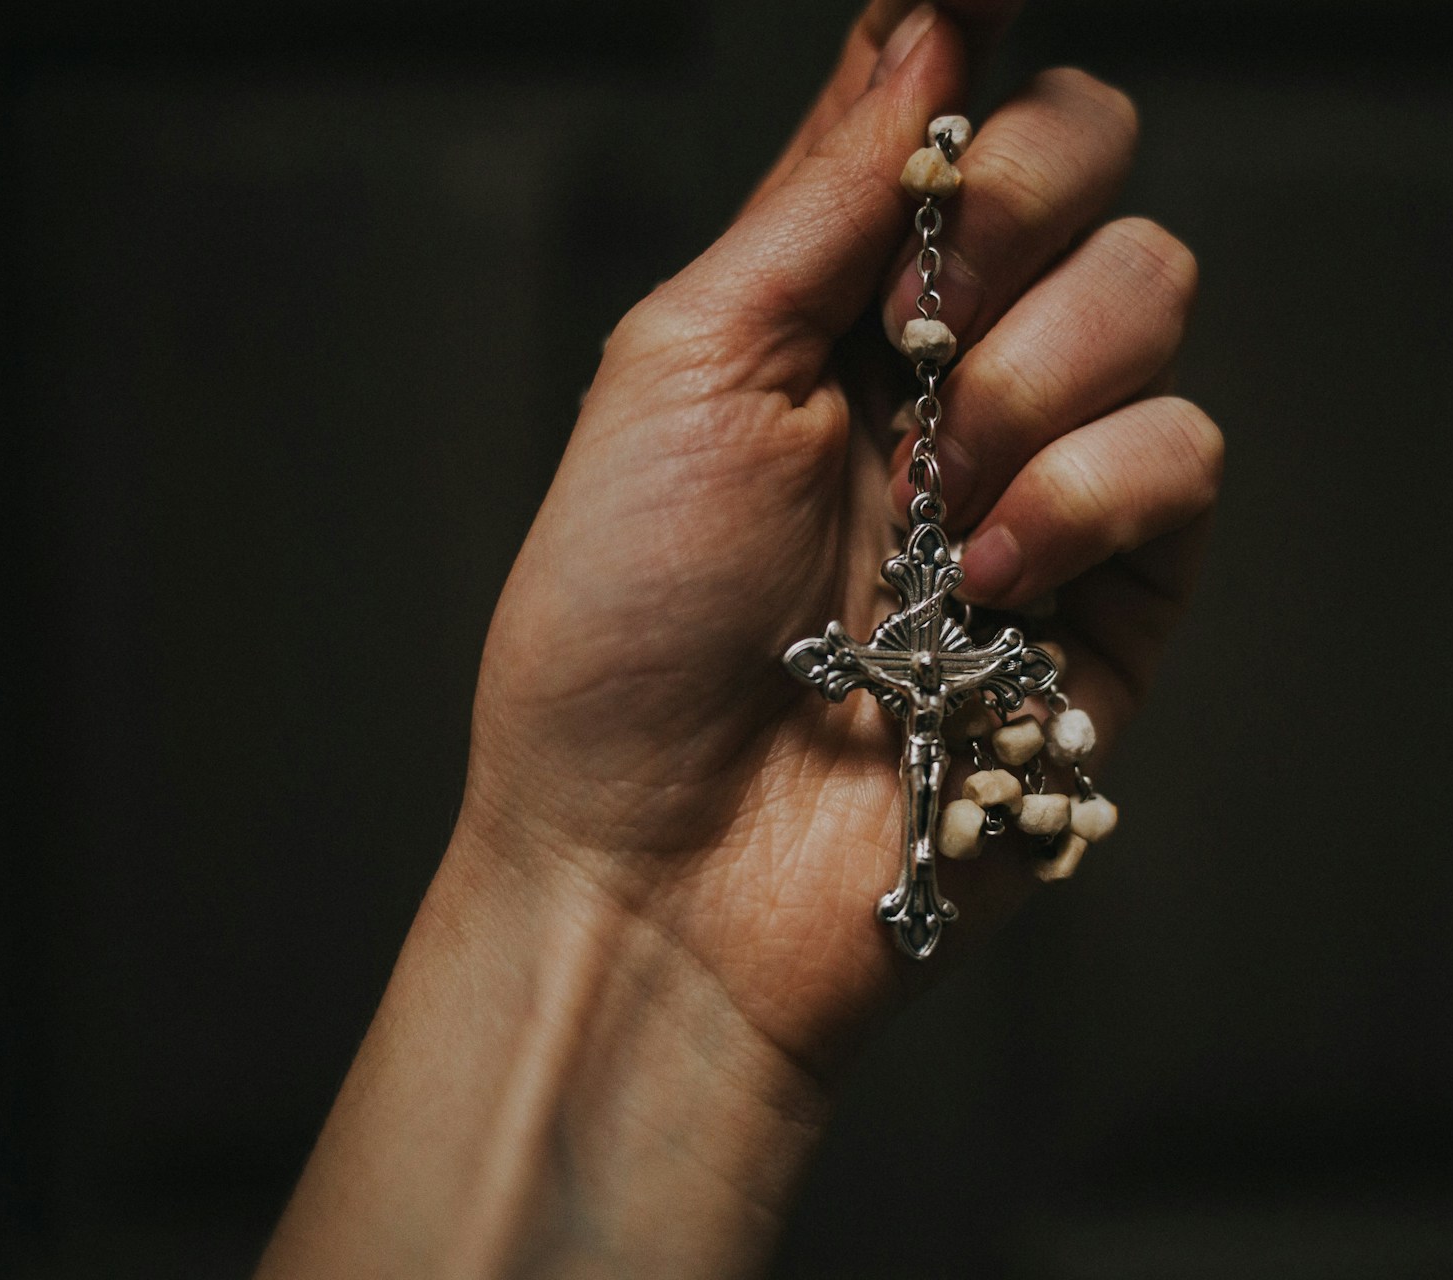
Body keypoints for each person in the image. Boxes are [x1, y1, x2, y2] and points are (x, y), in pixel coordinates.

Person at [255, 1, 1220, 1273]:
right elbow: (872, 665)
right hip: (868, 714)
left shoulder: (934, 650)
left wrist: (628, 928)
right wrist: (595, 873)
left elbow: (953, 664)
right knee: (925, 756)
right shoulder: (883, 657)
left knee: (930, 756)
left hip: (907, 708)